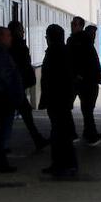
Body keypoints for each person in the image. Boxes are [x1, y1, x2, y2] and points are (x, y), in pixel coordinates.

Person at [38, 24, 78, 176]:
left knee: (60, 133)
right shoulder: (64, 51)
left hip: (57, 99)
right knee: (61, 133)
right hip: (61, 99)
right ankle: (64, 163)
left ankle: (63, 164)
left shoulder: (56, 52)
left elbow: (53, 78)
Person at [0, 26, 25, 173]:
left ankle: (0, 160)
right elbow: (5, 76)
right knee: (2, 129)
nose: (11, 38)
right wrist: (14, 91)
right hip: (3, 97)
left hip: (3, 96)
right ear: (0, 37)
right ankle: (0, 162)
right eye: (8, 35)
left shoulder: (0, 52)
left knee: (2, 129)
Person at [8, 20, 48, 150]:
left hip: (16, 86)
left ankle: (37, 139)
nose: (23, 32)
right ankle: (37, 140)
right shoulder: (18, 46)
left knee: (18, 114)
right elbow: (21, 66)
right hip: (16, 86)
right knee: (22, 113)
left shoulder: (13, 46)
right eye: (21, 29)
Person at [68, 16, 101, 146]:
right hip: (85, 81)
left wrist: (78, 75)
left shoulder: (76, 41)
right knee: (87, 109)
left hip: (81, 80)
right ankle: (89, 134)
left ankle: (82, 133)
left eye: (75, 24)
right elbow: (88, 61)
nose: (72, 25)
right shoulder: (82, 41)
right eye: (72, 23)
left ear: (80, 26)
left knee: (83, 108)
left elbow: (78, 60)